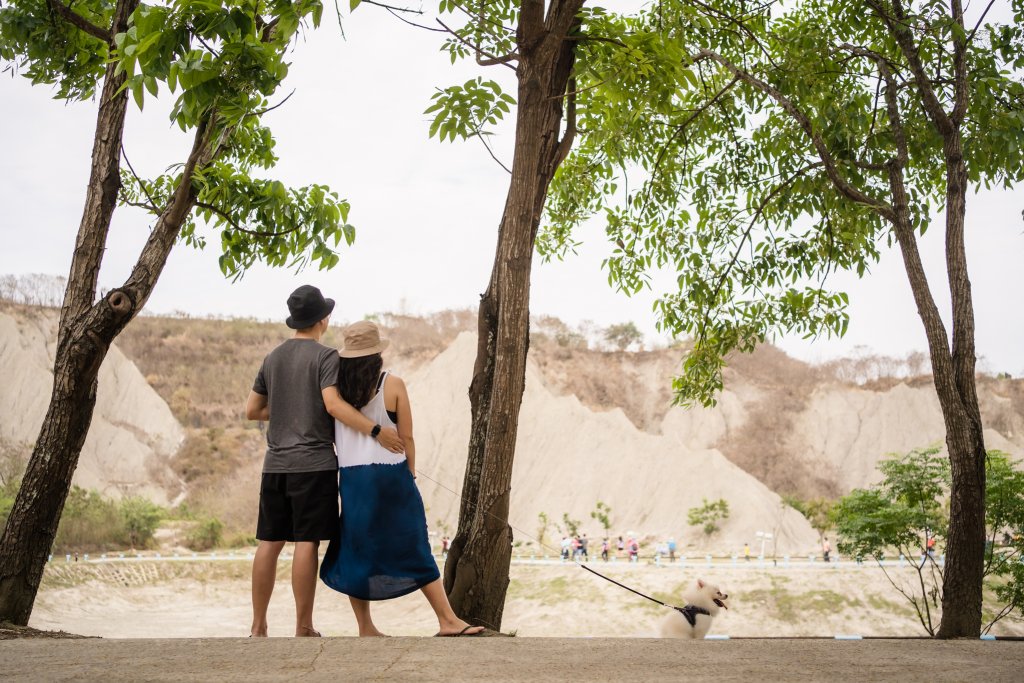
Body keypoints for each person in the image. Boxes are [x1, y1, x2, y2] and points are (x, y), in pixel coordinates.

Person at [245, 286, 404, 638]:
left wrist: (288, 407)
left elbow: (252, 410)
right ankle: (303, 625)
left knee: (269, 543)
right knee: (306, 542)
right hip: (313, 465)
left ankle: (258, 626)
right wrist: (377, 431)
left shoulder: (272, 358)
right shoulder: (326, 357)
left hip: (275, 465)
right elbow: (333, 405)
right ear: (323, 319)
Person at [318, 321, 483, 637]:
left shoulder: (335, 391)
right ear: (378, 353)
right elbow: (407, 436)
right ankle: (447, 620)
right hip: (390, 475)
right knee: (413, 543)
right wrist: (410, 471)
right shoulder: (392, 384)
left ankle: (366, 627)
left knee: (357, 546)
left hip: (352, 479)